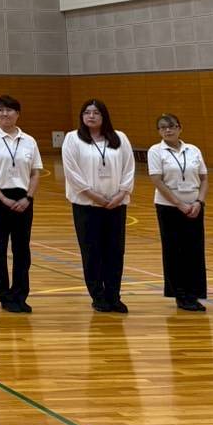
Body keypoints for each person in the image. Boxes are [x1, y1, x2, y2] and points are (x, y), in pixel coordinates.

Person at [62, 99, 135, 313]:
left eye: (96, 112)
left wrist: (121, 193)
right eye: (87, 112)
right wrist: (94, 196)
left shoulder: (120, 138)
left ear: (104, 116)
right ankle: (98, 295)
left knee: (115, 251)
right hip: (86, 205)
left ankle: (114, 295)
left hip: (116, 205)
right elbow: (72, 172)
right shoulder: (72, 139)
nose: (91, 116)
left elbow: (129, 167)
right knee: (92, 252)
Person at [0, 95, 42, 313]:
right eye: (0, 110)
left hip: (23, 199)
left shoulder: (29, 141)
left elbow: (35, 172)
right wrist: (2, 198)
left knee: (22, 250)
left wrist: (28, 198)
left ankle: (20, 294)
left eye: (9, 110)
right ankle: (5, 296)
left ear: (18, 113)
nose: (5, 114)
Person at [147, 114, 209, 312]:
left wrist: (199, 202)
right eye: (163, 127)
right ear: (159, 131)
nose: (168, 130)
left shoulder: (193, 150)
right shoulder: (156, 151)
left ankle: (194, 294)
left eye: (172, 126)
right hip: (169, 207)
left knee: (195, 251)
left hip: (195, 206)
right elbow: (157, 180)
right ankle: (180, 295)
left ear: (180, 128)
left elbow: (204, 178)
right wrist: (179, 204)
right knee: (174, 251)